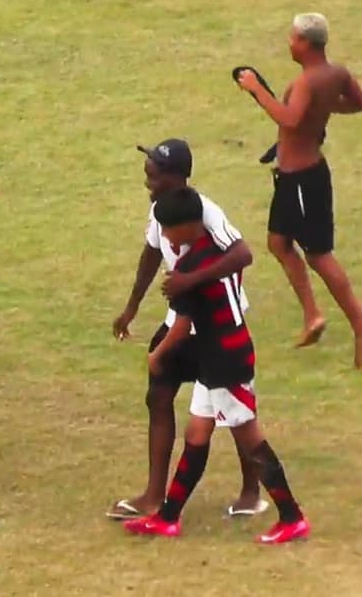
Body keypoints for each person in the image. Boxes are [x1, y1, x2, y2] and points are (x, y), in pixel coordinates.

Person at [123, 187, 310, 545]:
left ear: (188, 226)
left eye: (167, 229)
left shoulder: (188, 271)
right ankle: (168, 517)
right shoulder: (218, 252)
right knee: (196, 434)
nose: (163, 236)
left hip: (225, 362)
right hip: (224, 353)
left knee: (252, 440)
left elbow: (181, 327)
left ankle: (292, 516)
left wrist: (158, 354)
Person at [107, 139, 265, 520]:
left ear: (176, 178)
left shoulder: (205, 212)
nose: (147, 180)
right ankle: (153, 496)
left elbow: (243, 254)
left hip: (217, 328)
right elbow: (150, 253)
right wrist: (131, 309)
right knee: (158, 396)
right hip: (181, 320)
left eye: (154, 174)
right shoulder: (160, 210)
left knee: (237, 415)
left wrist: (189, 279)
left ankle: (252, 492)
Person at [236, 12, 362, 367]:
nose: (289, 42)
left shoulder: (306, 83)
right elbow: (361, 103)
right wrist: (325, 109)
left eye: (293, 37)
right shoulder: (336, 74)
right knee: (278, 242)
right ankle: (312, 315)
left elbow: (290, 119)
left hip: (302, 179)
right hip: (298, 175)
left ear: (306, 44)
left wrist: (256, 90)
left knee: (318, 255)